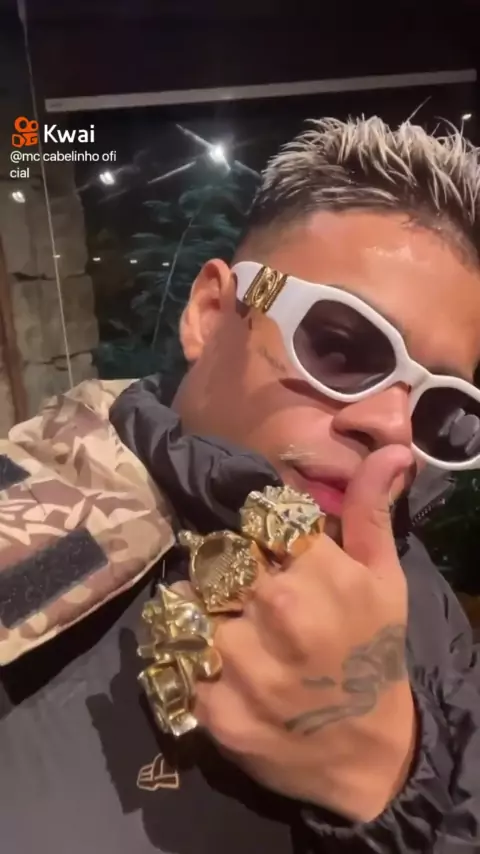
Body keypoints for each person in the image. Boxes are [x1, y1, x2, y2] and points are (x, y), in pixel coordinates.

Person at [0, 116, 479, 853]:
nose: (391, 426)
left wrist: (387, 781)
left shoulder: (421, 599)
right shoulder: (22, 528)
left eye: (440, 411)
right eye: (342, 344)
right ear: (211, 313)